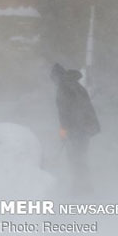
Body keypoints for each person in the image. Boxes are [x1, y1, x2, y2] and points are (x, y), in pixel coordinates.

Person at [51, 63, 100, 194]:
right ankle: (83, 187)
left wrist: (64, 131)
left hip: (77, 130)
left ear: (57, 77)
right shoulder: (74, 85)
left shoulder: (64, 88)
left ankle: (82, 189)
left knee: (75, 158)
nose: (53, 82)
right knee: (79, 157)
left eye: (53, 79)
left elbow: (65, 112)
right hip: (84, 129)